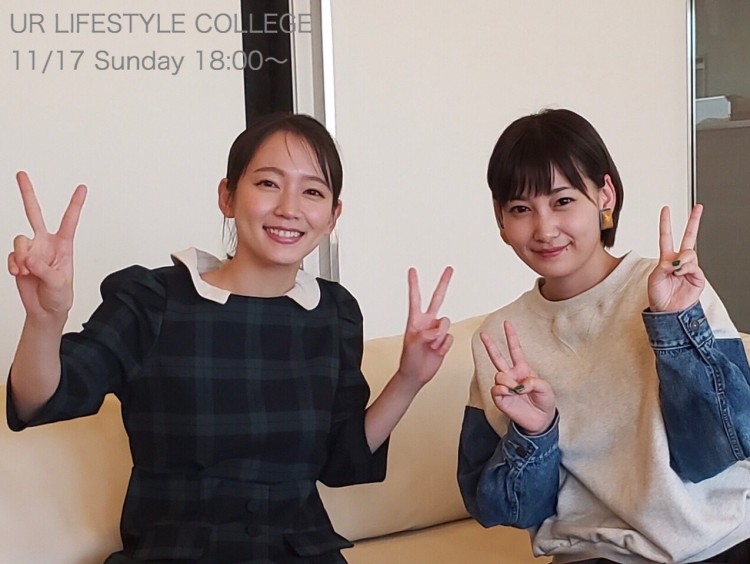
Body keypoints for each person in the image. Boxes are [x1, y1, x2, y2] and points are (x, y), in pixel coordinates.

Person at [7, 113, 454, 563]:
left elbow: (340, 460)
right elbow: (39, 400)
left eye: (312, 192)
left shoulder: (334, 314)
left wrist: (408, 379)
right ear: (227, 196)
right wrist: (46, 319)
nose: (290, 208)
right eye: (268, 183)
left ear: (333, 216)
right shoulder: (153, 300)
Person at [457, 108, 750, 563]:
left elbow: (718, 452)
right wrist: (535, 433)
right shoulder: (498, 339)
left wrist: (676, 327)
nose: (544, 229)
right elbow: (503, 511)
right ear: (501, 219)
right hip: (596, 554)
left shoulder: (671, 290)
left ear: (604, 195)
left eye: (562, 201)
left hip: (724, 542)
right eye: (521, 209)